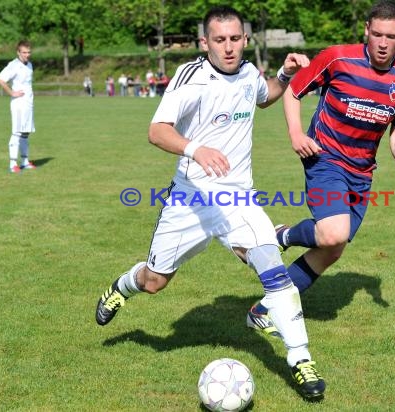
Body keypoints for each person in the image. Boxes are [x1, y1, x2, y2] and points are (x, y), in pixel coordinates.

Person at [95, 5, 325, 399]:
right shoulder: (191, 77)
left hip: (237, 198)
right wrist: (196, 149)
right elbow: (156, 131)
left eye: (235, 39)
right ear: (205, 43)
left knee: (270, 263)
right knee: (155, 282)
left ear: (245, 39)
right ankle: (122, 286)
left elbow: (264, 96)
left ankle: (300, 359)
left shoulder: (249, 72)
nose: (229, 47)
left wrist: (284, 75)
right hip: (189, 199)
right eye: (220, 40)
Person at [247, 0, 395, 330]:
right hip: (324, 157)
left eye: (391, 36)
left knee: (333, 248)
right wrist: (296, 133)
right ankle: (282, 237)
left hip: (362, 170)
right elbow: (293, 91)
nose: (383, 43)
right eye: (377, 34)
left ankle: (265, 309)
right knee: (333, 231)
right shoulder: (338, 57)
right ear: (366, 30)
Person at [0, 40, 37, 174]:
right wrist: (12, 93)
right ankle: (13, 163)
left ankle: (24, 162)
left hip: (28, 104)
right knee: (17, 132)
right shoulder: (13, 65)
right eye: (24, 52)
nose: (27, 55)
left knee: (25, 133)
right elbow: (0, 79)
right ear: (18, 52)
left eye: (29, 52)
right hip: (19, 104)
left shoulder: (29, 65)